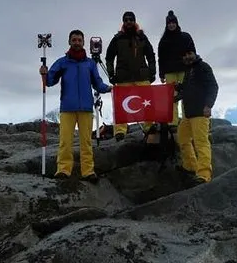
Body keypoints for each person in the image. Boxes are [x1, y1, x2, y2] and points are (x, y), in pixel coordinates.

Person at [39, 29, 112, 183]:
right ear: (69, 42)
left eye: (79, 40)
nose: (77, 42)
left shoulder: (90, 64)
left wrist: (109, 88)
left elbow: (97, 83)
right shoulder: (62, 62)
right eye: (74, 40)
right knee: (65, 141)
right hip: (67, 108)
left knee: (86, 141)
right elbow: (50, 81)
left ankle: (88, 171)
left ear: (83, 42)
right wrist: (44, 74)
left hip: (86, 108)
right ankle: (63, 170)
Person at [105, 11, 157, 141]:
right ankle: (120, 131)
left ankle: (149, 127)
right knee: (120, 105)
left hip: (142, 76)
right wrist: (111, 73)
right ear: (123, 22)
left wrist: (152, 72)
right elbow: (109, 57)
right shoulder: (117, 39)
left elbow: (151, 56)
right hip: (123, 77)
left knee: (148, 103)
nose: (128, 22)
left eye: (130, 19)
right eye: (126, 20)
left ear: (134, 21)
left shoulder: (142, 38)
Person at [175, 47, 218, 185]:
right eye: (185, 55)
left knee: (201, 143)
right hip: (188, 114)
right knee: (182, 139)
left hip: (200, 112)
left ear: (194, 53)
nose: (188, 57)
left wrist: (208, 105)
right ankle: (190, 166)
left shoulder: (203, 67)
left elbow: (213, 86)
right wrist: (178, 91)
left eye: (189, 54)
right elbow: (188, 90)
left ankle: (204, 174)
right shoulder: (188, 70)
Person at [157, 10, 196, 129]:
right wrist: (161, 74)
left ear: (177, 23)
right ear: (166, 25)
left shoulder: (185, 36)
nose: (171, 25)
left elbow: (193, 52)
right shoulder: (163, 41)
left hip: (185, 70)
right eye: (169, 23)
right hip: (170, 72)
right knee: (171, 97)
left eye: (173, 22)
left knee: (186, 95)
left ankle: (187, 120)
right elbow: (161, 58)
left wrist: (193, 67)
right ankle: (172, 122)